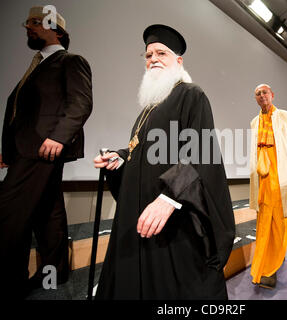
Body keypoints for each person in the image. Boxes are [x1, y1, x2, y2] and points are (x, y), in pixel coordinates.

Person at [93, 24, 235, 299]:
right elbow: (145, 150)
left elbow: (201, 151)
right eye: (148, 55)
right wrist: (121, 157)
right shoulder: (150, 106)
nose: (153, 59)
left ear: (178, 61)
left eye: (161, 53)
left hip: (173, 218)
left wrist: (169, 198)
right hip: (138, 211)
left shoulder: (192, 94)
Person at [0, 6, 92, 299]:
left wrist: (58, 137)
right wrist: (7, 149)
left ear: (57, 30)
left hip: (43, 147)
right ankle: (55, 271)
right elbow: (17, 113)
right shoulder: (36, 67)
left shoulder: (71, 61)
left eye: (36, 23)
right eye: (27, 22)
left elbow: (80, 103)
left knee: (8, 214)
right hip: (25, 150)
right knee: (47, 210)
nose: (28, 27)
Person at [249, 84, 287, 289]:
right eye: (258, 94)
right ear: (256, 99)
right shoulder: (254, 122)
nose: (262, 96)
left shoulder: (286, 116)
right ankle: (262, 266)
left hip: (281, 177)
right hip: (262, 179)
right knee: (263, 224)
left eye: (265, 92)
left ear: (272, 95)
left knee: (279, 223)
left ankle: (272, 266)